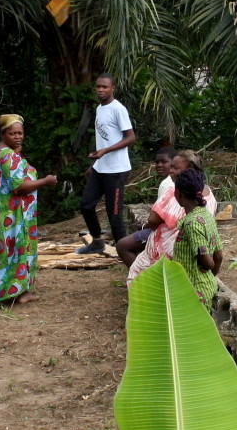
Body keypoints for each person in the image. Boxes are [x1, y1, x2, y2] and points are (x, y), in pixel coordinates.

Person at [0, 114, 57, 305]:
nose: (18, 137)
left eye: (20, 133)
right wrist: (46, 181)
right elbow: (19, 186)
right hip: (13, 212)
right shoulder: (8, 156)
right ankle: (20, 292)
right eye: (12, 133)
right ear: (3, 133)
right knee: (17, 248)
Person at [126, 151, 216, 285]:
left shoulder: (176, 193)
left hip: (166, 258)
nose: (171, 171)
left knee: (138, 278)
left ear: (189, 169)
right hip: (191, 262)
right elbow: (214, 255)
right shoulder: (209, 194)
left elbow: (152, 220)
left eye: (175, 168)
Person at [76, 74, 135, 254]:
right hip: (100, 168)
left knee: (114, 213)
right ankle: (97, 241)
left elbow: (131, 137)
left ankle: (125, 252)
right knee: (86, 205)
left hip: (116, 170)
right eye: (98, 87)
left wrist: (105, 152)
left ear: (113, 88)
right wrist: (94, 164)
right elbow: (104, 139)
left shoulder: (118, 109)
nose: (101, 90)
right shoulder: (100, 108)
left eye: (105, 87)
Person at [116, 147, 179, 267]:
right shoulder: (179, 180)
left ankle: (142, 278)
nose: (159, 165)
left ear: (173, 162)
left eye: (164, 162)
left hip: (167, 232)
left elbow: (160, 219)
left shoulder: (166, 184)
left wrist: (145, 226)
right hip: (173, 229)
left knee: (122, 245)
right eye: (157, 162)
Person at [172, 167, 223, 303]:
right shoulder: (207, 215)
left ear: (177, 193)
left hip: (193, 292)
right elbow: (219, 256)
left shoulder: (191, 224)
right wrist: (210, 278)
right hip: (206, 287)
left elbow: (207, 262)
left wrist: (207, 269)